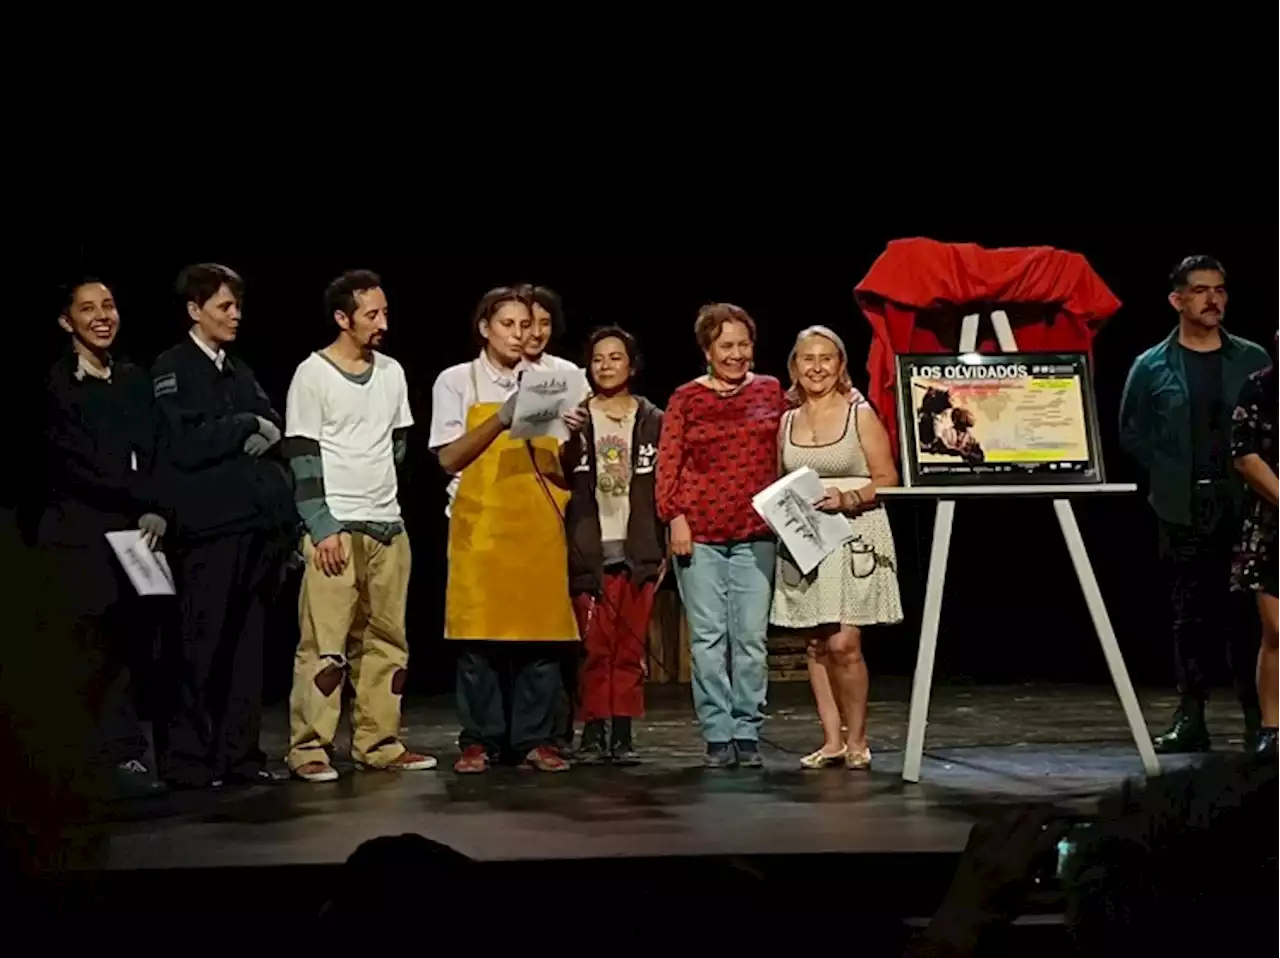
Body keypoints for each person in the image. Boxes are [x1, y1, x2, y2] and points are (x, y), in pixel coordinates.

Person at [283, 270, 436, 782]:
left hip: (387, 526)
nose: (382, 322)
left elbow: (398, 444)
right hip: (336, 527)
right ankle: (309, 747)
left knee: (388, 642)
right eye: (372, 314)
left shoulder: (391, 371)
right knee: (325, 644)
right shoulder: (313, 374)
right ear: (342, 318)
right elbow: (302, 454)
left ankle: (378, 741)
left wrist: (386, 506)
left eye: (385, 312)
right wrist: (322, 525)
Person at [151, 263, 296, 789]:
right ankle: (188, 760)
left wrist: (262, 427)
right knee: (198, 648)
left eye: (236, 306)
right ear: (195, 310)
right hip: (209, 531)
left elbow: (272, 420)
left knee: (245, 651)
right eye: (223, 307)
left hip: (253, 531)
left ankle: (239, 756)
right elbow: (185, 443)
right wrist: (244, 426)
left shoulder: (236, 368)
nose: (235, 316)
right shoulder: (174, 367)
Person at [430, 286, 587, 773]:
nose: (520, 335)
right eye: (508, 325)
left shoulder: (556, 377)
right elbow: (448, 457)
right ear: (484, 328)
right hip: (482, 523)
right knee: (480, 640)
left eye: (526, 325)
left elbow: (567, 466)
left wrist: (576, 434)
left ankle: (536, 740)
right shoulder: (458, 381)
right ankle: (481, 740)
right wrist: (501, 417)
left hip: (538, 521)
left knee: (539, 638)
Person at [1119, 256, 1271, 753]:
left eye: (1221, 290)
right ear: (1177, 300)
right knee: (1191, 617)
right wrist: (1166, 475)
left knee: (1251, 619)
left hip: (1248, 506)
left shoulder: (1252, 359)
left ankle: (1260, 717)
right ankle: (1192, 717)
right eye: (1202, 290)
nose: (1214, 300)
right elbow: (1132, 432)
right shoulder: (1151, 365)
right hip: (1183, 506)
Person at [39, 278, 168, 796]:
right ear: (67, 322)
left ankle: (128, 756)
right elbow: (73, 464)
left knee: (133, 647)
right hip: (80, 534)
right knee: (88, 647)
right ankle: (86, 759)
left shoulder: (134, 380)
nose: (101, 316)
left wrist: (156, 508)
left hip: (138, 537)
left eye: (109, 305)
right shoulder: (55, 386)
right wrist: (139, 497)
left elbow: (158, 450)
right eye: (87, 309)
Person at [657, 303, 790, 768]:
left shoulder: (772, 391)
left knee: (751, 638)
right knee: (709, 639)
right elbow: (668, 462)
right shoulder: (686, 398)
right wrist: (674, 517)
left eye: (743, 344)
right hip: (701, 534)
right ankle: (717, 733)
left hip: (755, 532)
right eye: (726, 346)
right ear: (707, 350)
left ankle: (748, 730)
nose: (736, 354)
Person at [770, 326, 903, 770]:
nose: (817, 367)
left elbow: (888, 479)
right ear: (794, 366)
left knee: (845, 642)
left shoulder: (858, 412)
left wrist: (847, 498)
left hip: (854, 532)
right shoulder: (787, 420)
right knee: (816, 643)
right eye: (807, 358)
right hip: (807, 540)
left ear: (840, 364)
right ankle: (831, 741)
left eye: (826, 358)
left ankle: (858, 739)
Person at [562, 326, 665, 763]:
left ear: (633, 364)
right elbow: (558, 472)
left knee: (628, 646)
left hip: (638, 548)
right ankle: (592, 728)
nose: (605, 365)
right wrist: (566, 437)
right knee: (594, 646)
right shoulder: (576, 417)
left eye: (615, 357)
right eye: (598, 358)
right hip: (591, 548)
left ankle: (622, 729)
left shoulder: (653, 419)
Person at [519, 283, 586, 748]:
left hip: (553, 506)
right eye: (526, 323)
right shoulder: (482, 376)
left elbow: (573, 453)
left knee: (555, 627)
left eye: (544, 323)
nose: (535, 332)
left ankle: (555, 729)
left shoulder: (566, 374)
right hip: (498, 510)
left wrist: (576, 433)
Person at [1230, 327, 1279, 758]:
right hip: (1273, 521)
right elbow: (1245, 456)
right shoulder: (1260, 386)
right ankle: (1272, 727)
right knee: (1278, 630)